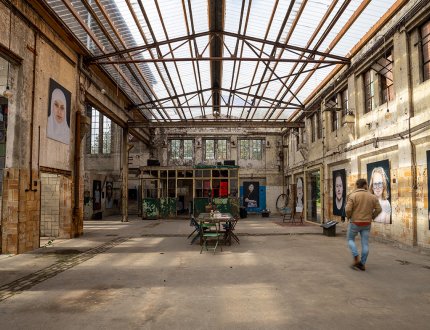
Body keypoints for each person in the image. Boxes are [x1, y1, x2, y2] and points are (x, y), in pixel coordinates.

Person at [345, 178, 382, 271]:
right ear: (365, 185)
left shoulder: (352, 196)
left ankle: (356, 256)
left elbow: (348, 209)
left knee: (350, 239)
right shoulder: (372, 197)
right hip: (367, 223)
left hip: (355, 222)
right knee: (365, 243)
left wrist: (349, 216)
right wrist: (372, 216)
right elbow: (379, 209)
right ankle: (362, 263)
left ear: (357, 185)